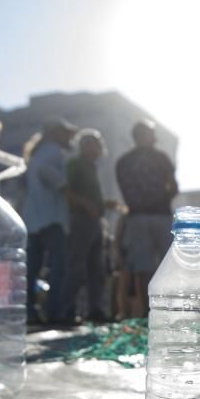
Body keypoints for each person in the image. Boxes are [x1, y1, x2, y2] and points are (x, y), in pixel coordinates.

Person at [115, 120, 178, 317]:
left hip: (138, 216)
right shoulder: (160, 157)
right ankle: (167, 310)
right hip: (159, 215)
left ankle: (147, 311)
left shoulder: (123, 162)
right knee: (168, 263)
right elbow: (173, 186)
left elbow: (125, 191)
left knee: (143, 267)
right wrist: (162, 199)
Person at [21, 118, 77, 324]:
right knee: (58, 267)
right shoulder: (52, 150)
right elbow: (47, 172)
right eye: (66, 133)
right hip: (51, 218)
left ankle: (30, 312)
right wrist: (63, 186)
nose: (70, 137)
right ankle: (55, 313)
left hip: (34, 218)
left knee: (33, 269)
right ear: (55, 133)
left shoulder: (38, 153)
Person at [66, 129, 110, 322]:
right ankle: (67, 310)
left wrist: (105, 205)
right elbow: (67, 191)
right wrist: (84, 204)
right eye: (92, 144)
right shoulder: (75, 164)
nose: (96, 148)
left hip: (95, 221)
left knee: (96, 268)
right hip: (80, 219)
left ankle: (96, 309)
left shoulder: (92, 167)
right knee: (76, 266)